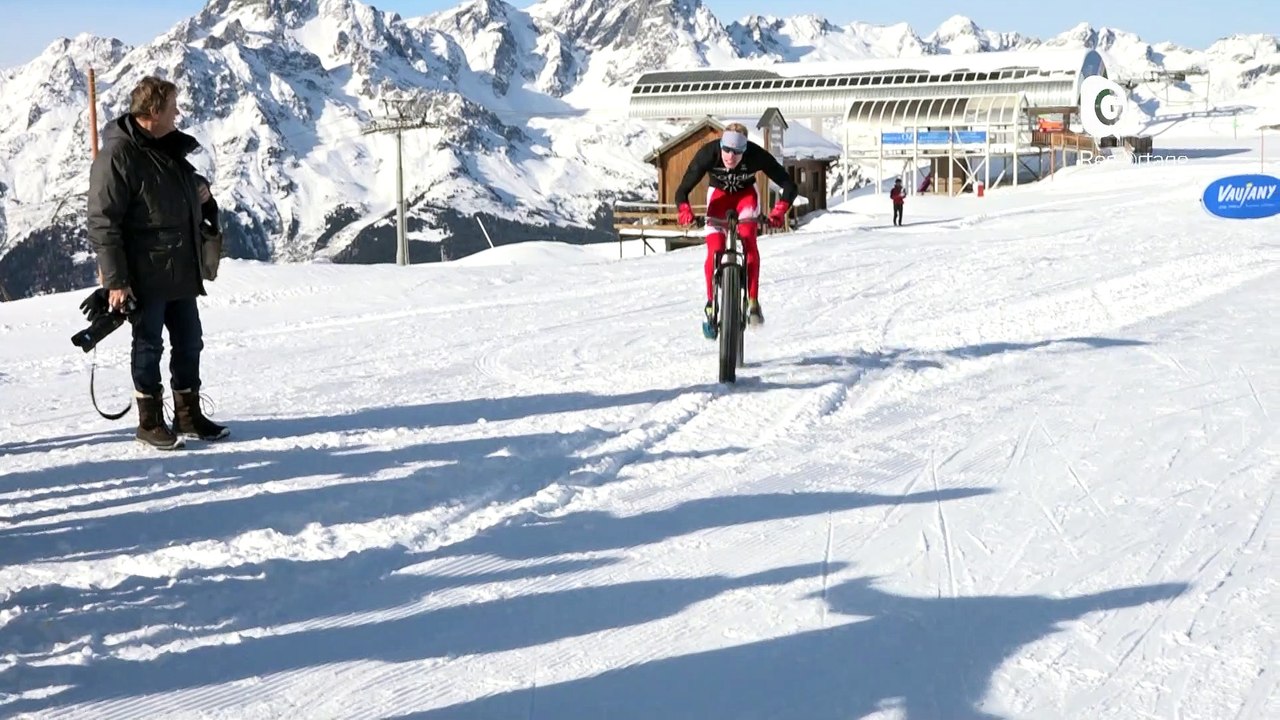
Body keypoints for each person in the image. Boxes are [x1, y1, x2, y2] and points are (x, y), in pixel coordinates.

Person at [88, 75, 228, 450]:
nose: (178, 113)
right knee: (148, 345)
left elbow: (180, 191)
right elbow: (104, 222)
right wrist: (116, 281)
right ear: (153, 112)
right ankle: (149, 422)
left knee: (189, 342)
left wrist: (203, 193)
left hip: (180, 267)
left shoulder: (166, 147)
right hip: (145, 274)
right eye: (172, 107)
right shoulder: (118, 156)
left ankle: (188, 416)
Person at [674, 123, 798, 337]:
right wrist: (684, 209)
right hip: (719, 198)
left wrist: (779, 210)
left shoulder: (756, 155)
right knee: (715, 250)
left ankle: (753, 302)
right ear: (720, 145)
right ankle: (711, 306)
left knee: (749, 239)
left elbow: (789, 185)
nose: (730, 157)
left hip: (745, 198)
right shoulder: (708, 154)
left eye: (737, 152)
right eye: (726, 150)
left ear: (746, 149)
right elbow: (682, 190)